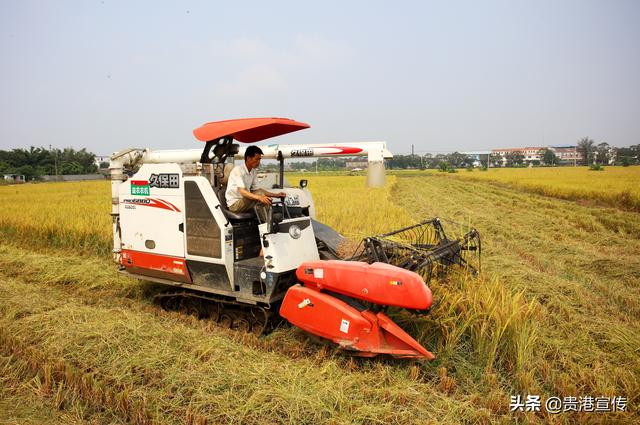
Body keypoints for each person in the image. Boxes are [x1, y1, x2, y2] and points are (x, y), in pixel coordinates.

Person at [225, 146, 286, 219]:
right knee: (260, 196)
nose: (259, 162)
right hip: (235, 205)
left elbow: (257, 190)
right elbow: (242, 191)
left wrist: (276, 195)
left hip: (245, 202)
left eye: (260, 159)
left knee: (265, 198)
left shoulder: (253, 171)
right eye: (257, 159)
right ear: (248, 158)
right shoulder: (238, 170)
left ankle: (267, 221)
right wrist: (259, 197)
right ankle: (269, 222)